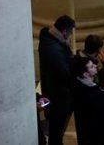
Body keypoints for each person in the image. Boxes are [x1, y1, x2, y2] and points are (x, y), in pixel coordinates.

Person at [39, 15, 75, 145]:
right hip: (58, 97)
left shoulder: (48, 38)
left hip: (54, 94)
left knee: (56, 130)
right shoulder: (55, 50)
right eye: (70, 32)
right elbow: (65, 74)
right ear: (65, 31)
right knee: (56, 130)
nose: (71, 36)